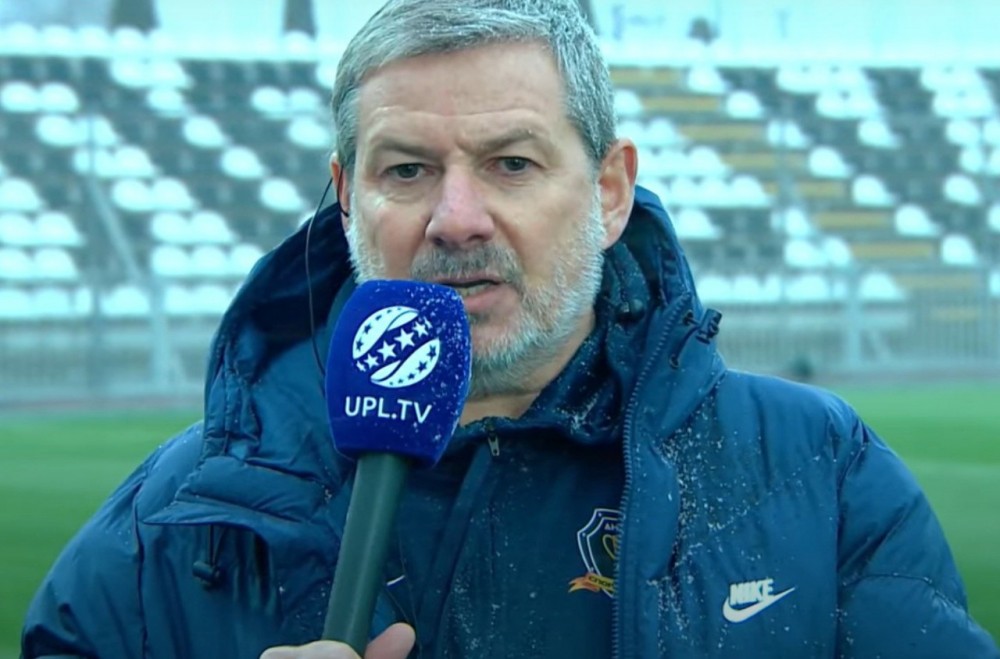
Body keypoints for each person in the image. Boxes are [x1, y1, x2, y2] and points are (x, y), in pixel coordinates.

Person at [21, 1, 999, 657]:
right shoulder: (176, 516)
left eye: (512, 164)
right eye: (407, 170)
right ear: (347, 195)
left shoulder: (818, 473)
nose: (456, 219)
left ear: (608, 190)